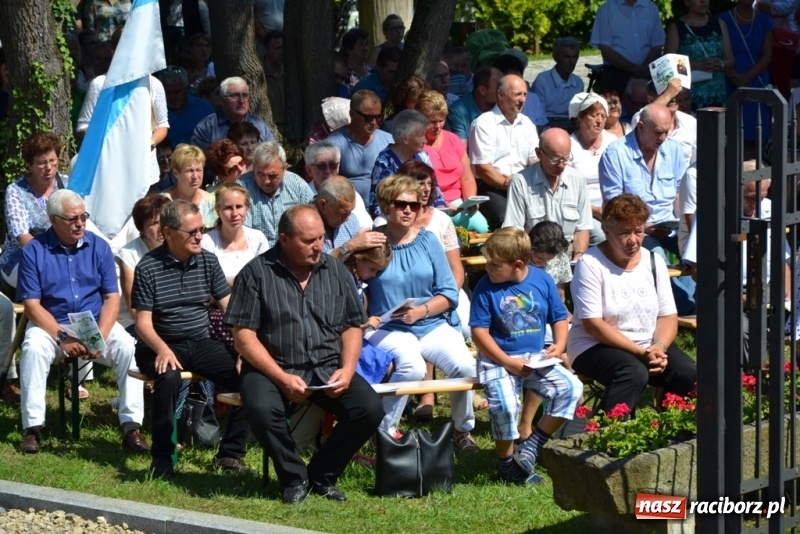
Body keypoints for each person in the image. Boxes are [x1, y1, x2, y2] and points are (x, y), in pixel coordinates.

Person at [226, 204, 383, 503]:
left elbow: (352, 326)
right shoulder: (256, 273)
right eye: (308, 240)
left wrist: (348, 369)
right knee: (260, 408)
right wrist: (281, 377)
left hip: (325, 366)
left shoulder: (335, 269)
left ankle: (323, 475)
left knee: (369, 408)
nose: (318, 246)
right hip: (271, 368)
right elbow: (244, 338)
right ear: (284, 239)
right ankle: (293, 478)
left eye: (321, 238)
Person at [17, 190, 147, 454]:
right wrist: (62, 338)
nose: (80, 223)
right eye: (72, 218)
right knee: (32, 348)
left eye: (83, 216)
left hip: (94, 323)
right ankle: (32, 428)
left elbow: (111, 297)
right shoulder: (34, 251)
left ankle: (132, 427)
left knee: (128, 347)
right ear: (54, 220)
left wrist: (99, 334)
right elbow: (31, 305)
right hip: (51, 324)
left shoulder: (98, 247)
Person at [132, 200, 251, 478]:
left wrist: (245, 349)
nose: (200, 236)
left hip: (200, 342)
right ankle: (162, 458)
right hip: (158, 343)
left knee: (252, 377)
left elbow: (229, 308)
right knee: (169, 378)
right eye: (192, 232)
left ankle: (230, 453)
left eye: (202, 229)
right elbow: (143, 324)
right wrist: (162, 349)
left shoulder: (208, 260)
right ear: (168, 233)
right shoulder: (148, 267)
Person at [365, 176, 479, 451]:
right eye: (401, 204)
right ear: (385, 205)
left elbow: (449, 293)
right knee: (413, 368)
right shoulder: (373, 242)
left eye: (414, 206)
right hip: (387, 327)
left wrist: (422, 311)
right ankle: (384, 430)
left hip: (429, 323)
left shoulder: (428, 242)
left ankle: (463, 431)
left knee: (464, 366)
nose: (408, 210)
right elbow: (352, 283)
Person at [470, 227, 583, 484]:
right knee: (506, 406)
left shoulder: (541, 280)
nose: (488, 268)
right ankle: (507, 463)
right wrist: (508, 361)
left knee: (571, 387)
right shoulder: (485, 287)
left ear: (518, 264)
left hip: (535, 356)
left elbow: (559, 316)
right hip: (497, 357)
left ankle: (532, 445)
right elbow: (479, 333)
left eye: (495, 265)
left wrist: (559, 344)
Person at [568, 194, 697, 413]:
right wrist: (641, 352)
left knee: (689, 374)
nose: (633, 240)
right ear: (607, 232)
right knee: (633, 372)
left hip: (648, 343)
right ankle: (610, 435)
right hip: (595, 345)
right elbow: (593, 325)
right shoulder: (590, 264)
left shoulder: (653, 261)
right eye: (624, 233)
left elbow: (667, 316)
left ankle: (679, 434)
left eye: (638, 231)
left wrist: (659, 347)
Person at [503, 127, 592, 262]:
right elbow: (515, 231)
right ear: (539, 153)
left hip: (567, 254)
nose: (561, 165)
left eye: (566, 158)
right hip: (533, 256)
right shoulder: (520, 182)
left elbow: (582, 228)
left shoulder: (578, 180)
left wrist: (578, 257)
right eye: (555, 159)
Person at [469, 74, 539, 229]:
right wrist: (509, 184)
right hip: (492, 187)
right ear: (500, 95)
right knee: (506, 220)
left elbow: (535, 160)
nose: (522, 100)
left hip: (523, 185)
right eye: (517, 94)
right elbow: (482, 168)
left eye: (524, 94)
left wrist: (523, 182)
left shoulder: (527, 124)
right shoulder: (483, 124)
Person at [1, 133, 67, 290]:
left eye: (52, 161)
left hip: (65, 258)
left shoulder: (67, 184)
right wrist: (54, 260)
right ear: (30, 165)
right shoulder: (16, 191)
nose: (49, 168)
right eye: (42, 163)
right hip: (20, 260)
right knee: (55, 279)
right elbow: (22, 237)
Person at [238, 141, 314, 244]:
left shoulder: (297, 184)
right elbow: (242, 233)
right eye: (260, 174)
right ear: (253, 168)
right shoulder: (242, 188)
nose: (266, 181)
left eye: (272, 176)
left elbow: (314, 217)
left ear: (284, 170)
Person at [720, 0, 774, 146]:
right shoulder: (723, 19)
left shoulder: (765, 20)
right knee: (732, 136)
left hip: (757, 80)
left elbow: (768, 55)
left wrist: (746, 77)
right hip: (731, 81)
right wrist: (734, 76)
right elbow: (720, 52)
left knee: (758, 135)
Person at [327, 90, 393, 205]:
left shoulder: (389, 141)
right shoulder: (334, 143)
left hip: (384, 207)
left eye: (378, 117)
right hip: (349, 209)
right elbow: (328, 183)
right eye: (368, 118)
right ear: (352, 114)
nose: (374, 122)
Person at [665, 0, 734, 110]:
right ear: (687, 2)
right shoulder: (677, 28)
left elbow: (730, 60)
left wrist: (720, 64)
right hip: (689, 98)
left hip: (718, 95)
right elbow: (667, 65)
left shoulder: (720, 24)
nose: (703, 1)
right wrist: (698, 65)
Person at [343, 243, 396, 384]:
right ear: (359, 259)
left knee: (388, 366)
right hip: (345, 343)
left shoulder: (358, 281)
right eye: (372, 269)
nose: (374, 275)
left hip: (360, 339)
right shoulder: (344, 280)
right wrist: (364, 323)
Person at [369, 109, 438, 215]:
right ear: (405, 138)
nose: (425, 140)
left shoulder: (422, 156)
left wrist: (440, 208)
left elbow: (435, 190)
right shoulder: (385, 162)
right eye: (420, 135)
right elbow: (377, 205)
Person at [590, 0, 666, 95]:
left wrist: (643, 70)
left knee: (652, 108)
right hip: (616, 73)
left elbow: (658, 45)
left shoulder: (651, 8)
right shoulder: (606, 9)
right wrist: (635, 70)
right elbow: (606, 50)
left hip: (647, 71)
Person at [115, 195, 171, 324]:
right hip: (136, 322)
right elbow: (134, 309)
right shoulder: (128, 255)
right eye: (154, 223)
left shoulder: (178, 246)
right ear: (142, 230)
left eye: (163, 220)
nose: (161, 228)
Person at [569, 92, 616, 244]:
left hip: (612, 207)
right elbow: (568, 190)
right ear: (581, 118)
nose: (600, 121)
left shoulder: (613, 142)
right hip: (582, 209)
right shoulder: (569, 145)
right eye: (595, 115)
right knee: (603, 236)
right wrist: (595, 210)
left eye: (603, 116)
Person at [191, 77, 276, 151]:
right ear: (221, 100)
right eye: (234, 96)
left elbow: (273, 155)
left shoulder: (260, 126)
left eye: (245, 95)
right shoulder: (207, 127)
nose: (241, 101)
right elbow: (198, 162)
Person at [304, 141, 372, 229]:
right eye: (321, 166)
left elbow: (366, 227)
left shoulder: (351, 195)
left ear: (339, 166)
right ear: (309, 170)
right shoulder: (303, 197)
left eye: (333, 165)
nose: (328, 171)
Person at [531, 37, 585, 127]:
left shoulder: (578, 83)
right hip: (547, 124)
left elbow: (577, 115)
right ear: (556, 57)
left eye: (574, 57)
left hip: (570, 125)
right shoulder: (542, 80)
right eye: (566, 57)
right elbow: (538, 115)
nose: (571, 62)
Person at [157, 65, 214, 148]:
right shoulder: (153, 113)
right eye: (167, 93)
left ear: (186, 89)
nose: (172, 97)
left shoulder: (203, 108)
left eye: (177, 92)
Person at [163, 144, 217, 228]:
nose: (195, 176)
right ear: (176, 173)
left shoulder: (211, 202)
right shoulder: (164, 203)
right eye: (189, 171)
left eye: (199, 170)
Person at [446, 65, 503, 143]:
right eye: (499, 87)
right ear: (482, 90)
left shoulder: (503, 108)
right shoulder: (457, 112)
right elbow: (461, 151)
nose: (504, 91)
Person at [262, 30, 285, 134]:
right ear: (267, 49)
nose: (282, 52)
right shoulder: (258, 74)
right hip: (267, 128)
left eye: (284, 48)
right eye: (278, 49)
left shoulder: (289, 74)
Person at [339, 28, 372, 92]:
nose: (365, 48)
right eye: (361, 45)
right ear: (349, 50)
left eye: (366, 44)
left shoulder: (373, 72)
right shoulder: (343, 75)